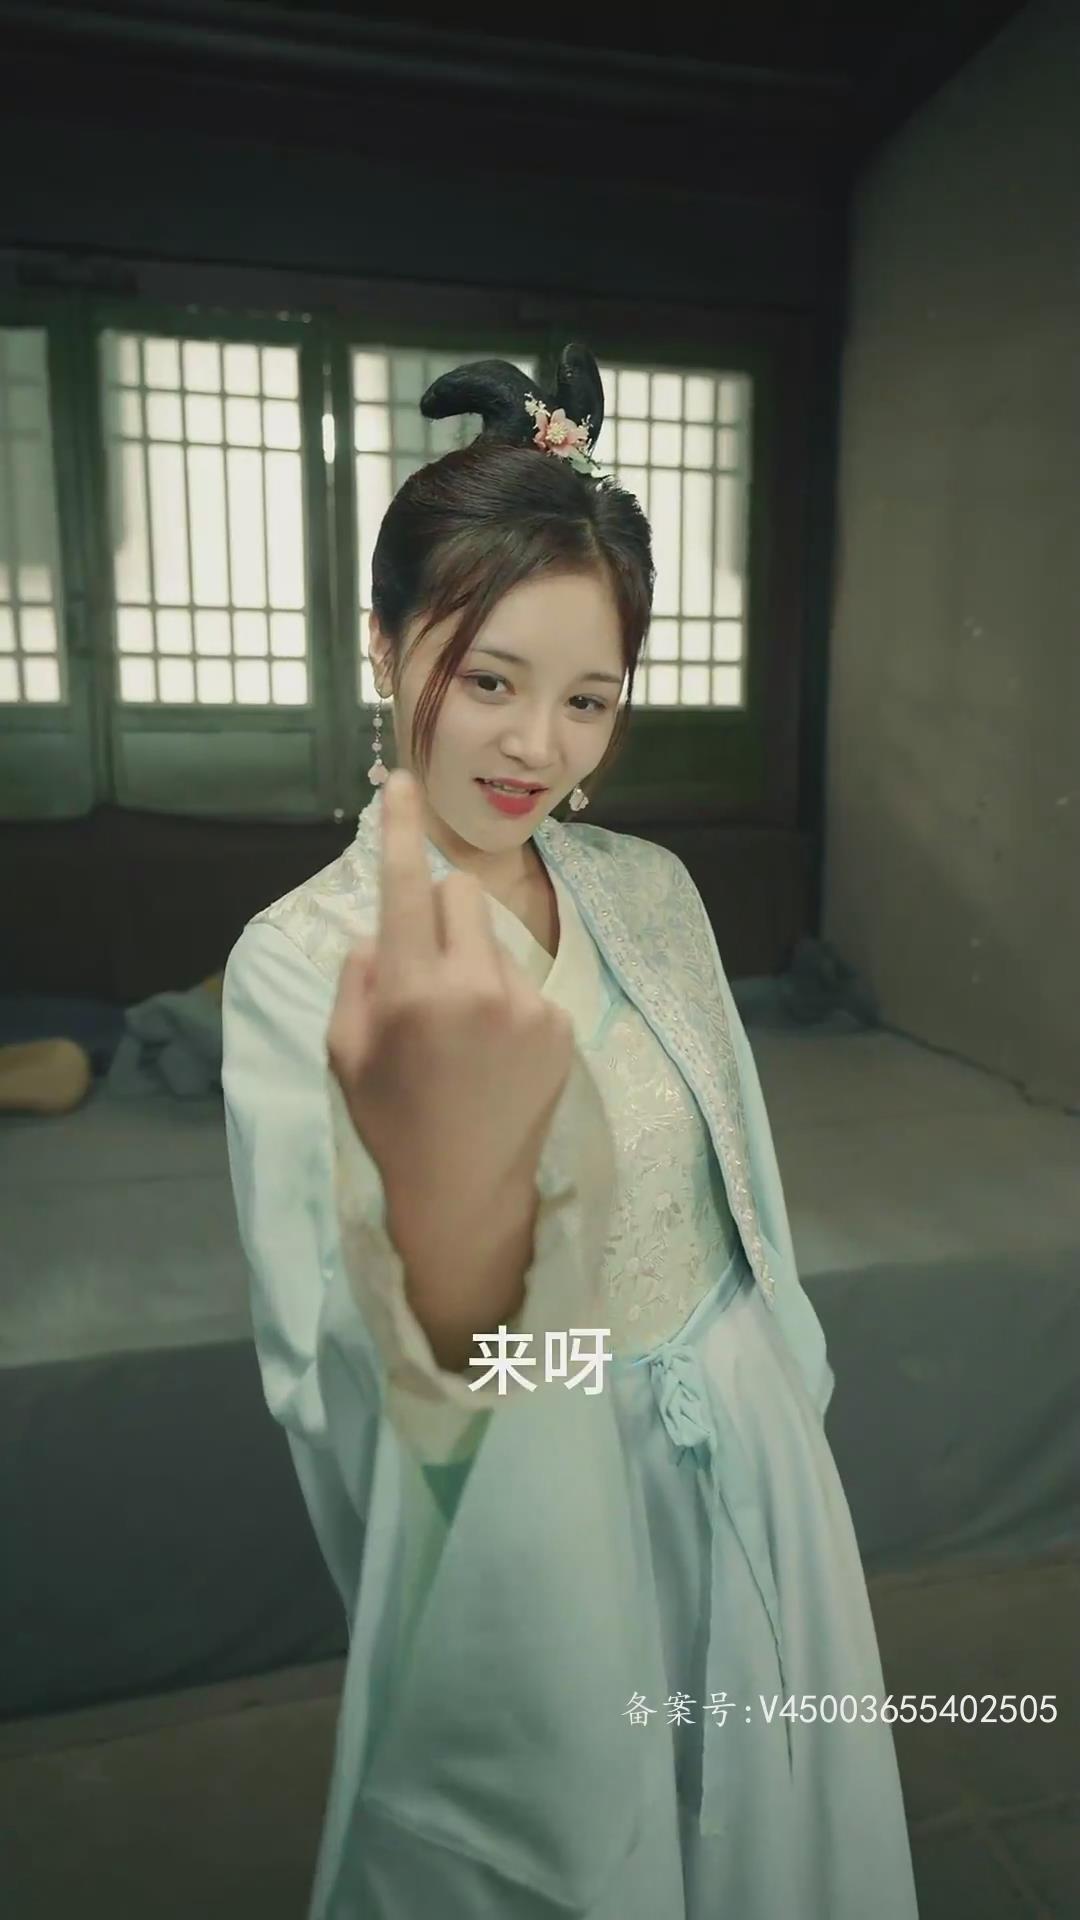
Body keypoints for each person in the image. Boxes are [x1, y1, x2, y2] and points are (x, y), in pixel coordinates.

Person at [221, 345, 920, 1918]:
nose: (539, 745)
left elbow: (746, 1197)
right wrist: (559, 1377)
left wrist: (760, 1390)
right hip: (535, 1499)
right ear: (384, 643)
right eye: (489, 680)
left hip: (744, 1438)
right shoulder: (301, 961)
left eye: (588, 699)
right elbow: (333, 1350)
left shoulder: (651, 893)